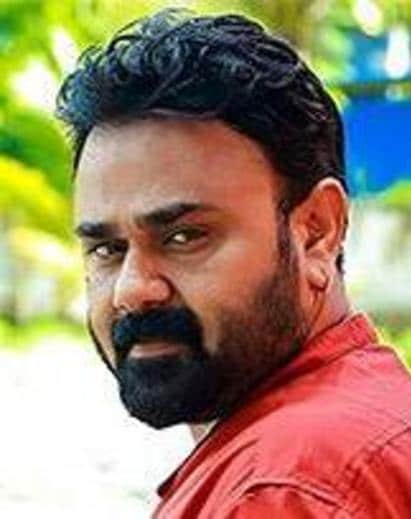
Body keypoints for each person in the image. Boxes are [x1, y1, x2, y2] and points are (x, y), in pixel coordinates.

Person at [56, 8, 411, 518]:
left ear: (317, 231)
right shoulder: (369, 425)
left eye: (184, 237)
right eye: (107, 249)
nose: (131, 289)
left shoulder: (284, 490)